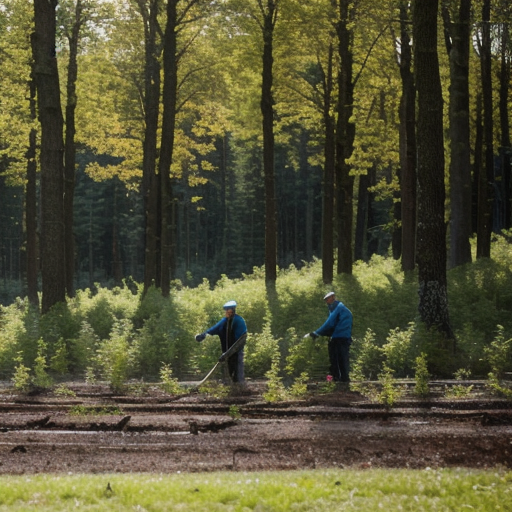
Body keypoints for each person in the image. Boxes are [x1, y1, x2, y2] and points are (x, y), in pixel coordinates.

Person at [195, 300, 247, 384]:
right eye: (226, 310)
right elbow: (213, 329)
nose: (226, 312)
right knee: (227, 373)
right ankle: (228, 390)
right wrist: (202, 336)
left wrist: (228, 353)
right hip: (226, 353)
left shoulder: (239, 321)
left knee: (237, 373)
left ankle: (240, 389)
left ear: (233, 311)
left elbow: (241, 339)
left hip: (236, 353)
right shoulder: (224, 322)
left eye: (228, 310)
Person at [308, 291, 353, 383]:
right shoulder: (334, 309)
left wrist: (316, 333)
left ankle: (342, 380)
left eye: (327, 299)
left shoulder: (339, 308)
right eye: (325, 300)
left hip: (341, 338)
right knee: (335, 358)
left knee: (340, 358)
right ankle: (338, 378)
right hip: (338, 337)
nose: (326, 302)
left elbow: (329, 324)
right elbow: (331, 325)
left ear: (333, 297)